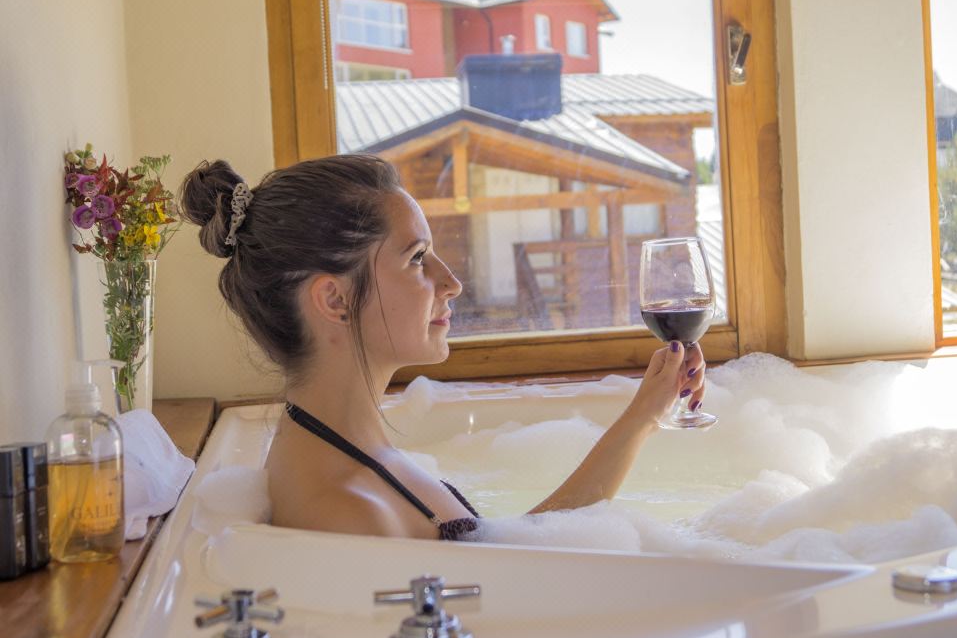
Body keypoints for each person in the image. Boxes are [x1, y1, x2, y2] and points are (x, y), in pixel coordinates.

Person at [180, 154, 706, 541]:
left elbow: (511, 557)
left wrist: (644, 414)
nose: (451, 282)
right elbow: (507, 580)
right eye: (416, 258)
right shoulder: (348, 514)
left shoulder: (337, 445)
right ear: (335, 299)